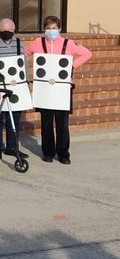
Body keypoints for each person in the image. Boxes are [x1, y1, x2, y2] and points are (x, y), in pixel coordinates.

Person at [26, 16, 92, 164]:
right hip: (44, 87)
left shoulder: (68, 43)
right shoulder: (38, 42)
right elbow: (24, 53)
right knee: (46, 122)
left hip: (63, 87)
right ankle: (48, 153)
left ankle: (63, 154)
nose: (51, 31)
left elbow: (87, 53)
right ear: (44, 29)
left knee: (62, 122)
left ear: (59, 29)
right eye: (48, 28)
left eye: (54, 28)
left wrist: (71, 65)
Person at [0, 18, 29, 159]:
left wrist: (26, 83)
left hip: (17, 86)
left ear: (14, 31)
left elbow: (24, 64)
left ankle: (12, 147)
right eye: (4, 30)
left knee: (14, 118)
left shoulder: (19, 43)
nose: (7, 33)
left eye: (10, 31)